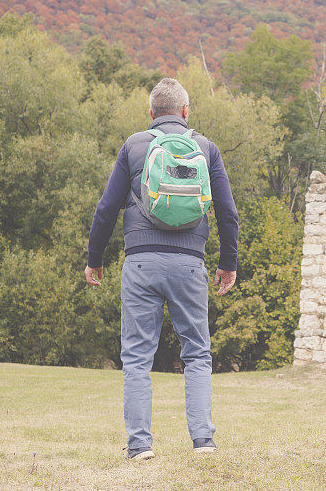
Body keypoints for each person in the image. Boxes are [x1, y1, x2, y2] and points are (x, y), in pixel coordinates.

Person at [84, 77, 239, 461]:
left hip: (140, 262)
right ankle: (204, 441)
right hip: (190, 264)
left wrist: (95, 258)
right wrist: (228, 263)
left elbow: (105, 209)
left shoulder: (134, 146)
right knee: (198, 354)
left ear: (150, 113)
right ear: (186, 112)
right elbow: (227, 212)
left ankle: (140, 447)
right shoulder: (206, 147)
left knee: (136, 357)